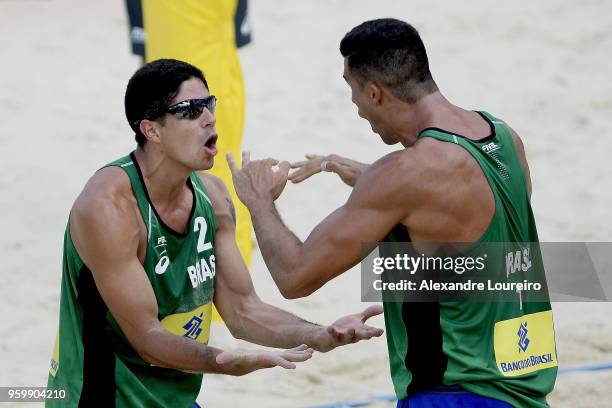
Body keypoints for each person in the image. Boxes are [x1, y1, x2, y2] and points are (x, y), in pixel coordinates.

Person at [227, 18, 558, 408]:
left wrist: (259, 201)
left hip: (455, 394)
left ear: (375, 92)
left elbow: (295, 276)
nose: (357, 111)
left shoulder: (404, 173)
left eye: (354, 96)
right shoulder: (502, 135)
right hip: (525, 389)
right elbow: (473, 225)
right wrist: (369, 178)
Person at [45, 59, 384, 408]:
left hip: (174, 399)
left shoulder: (215, 197)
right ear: (152, 130)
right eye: (191, 110)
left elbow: (242, 310)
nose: (208, 118)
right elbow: (147, 338)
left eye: (209, 105)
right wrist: (224, 361)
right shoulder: (107, 207)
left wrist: (319, 334)